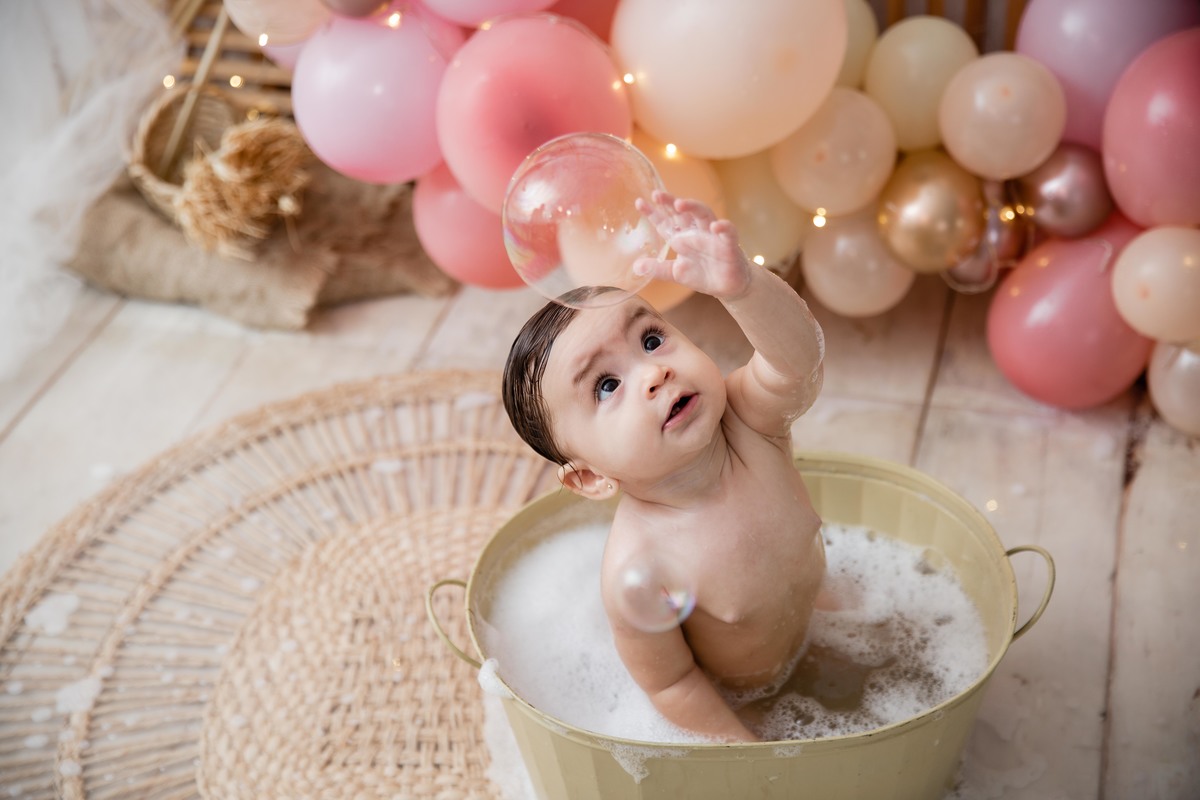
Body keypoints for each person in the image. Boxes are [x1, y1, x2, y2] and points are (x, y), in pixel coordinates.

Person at [501, 190, 827, 742]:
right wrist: (748, 751)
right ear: (590, 477)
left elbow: (798, 363)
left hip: (826, 617)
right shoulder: (640, 570)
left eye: (651, 340)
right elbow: (672, 684)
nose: (654, 374)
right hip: (753, 701)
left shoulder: (749, 423)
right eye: (607, 385)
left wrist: (744, 288)